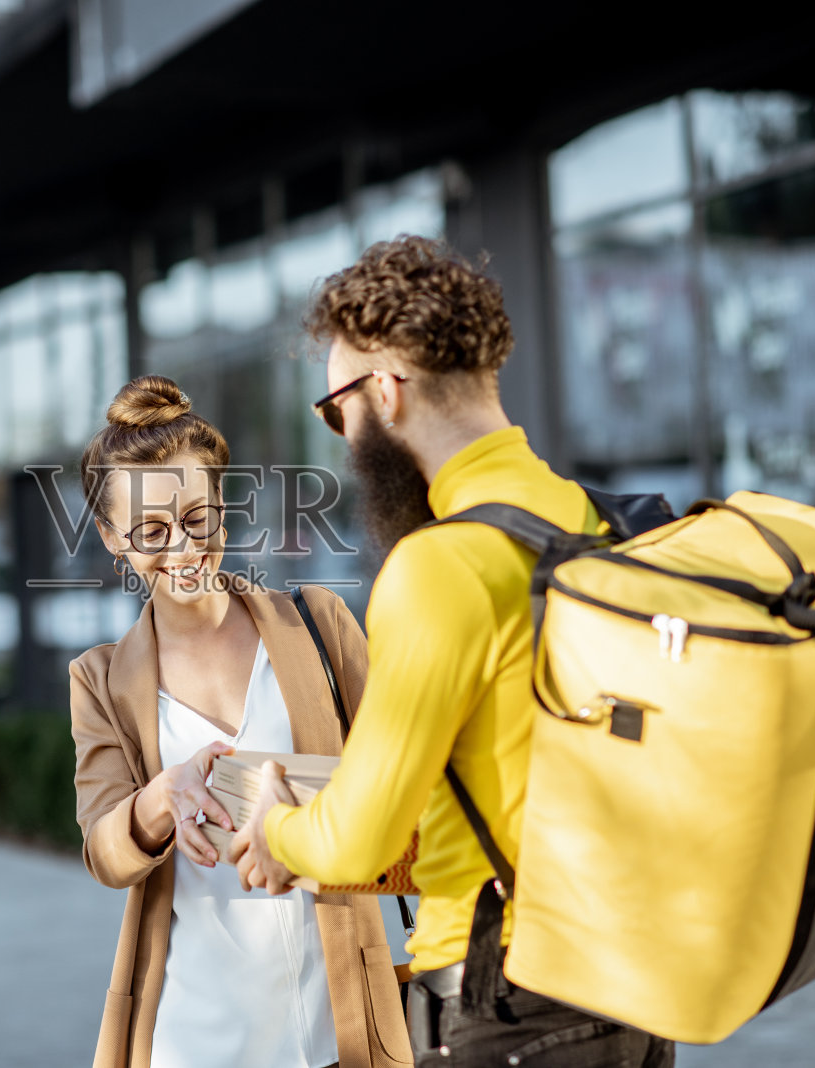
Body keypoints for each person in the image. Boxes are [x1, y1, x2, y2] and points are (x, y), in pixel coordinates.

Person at [229, 236, 676, 1067]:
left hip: (511, 999)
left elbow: (360, 840)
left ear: (386, 393)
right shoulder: (605, 522)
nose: (342, 436)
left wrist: (276, 828)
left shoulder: (439, 566)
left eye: (337, 411)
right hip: (633, 985)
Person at [70, 375, 412, 1068]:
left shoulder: (317, 624)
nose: (184, 548)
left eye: (199, 519)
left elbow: (402, 787)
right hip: (195, 1035)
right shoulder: (100, 679)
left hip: (337, 1024)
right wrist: (161, 798)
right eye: (151, 531)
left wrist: (296, 809)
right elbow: (104, 852)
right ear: (111, 537)